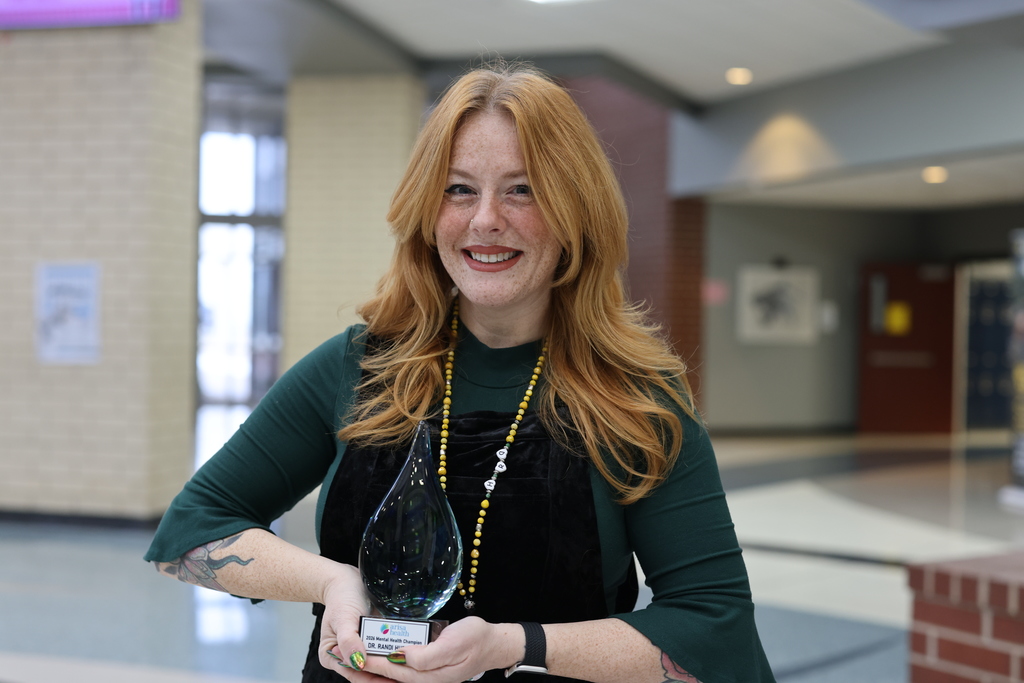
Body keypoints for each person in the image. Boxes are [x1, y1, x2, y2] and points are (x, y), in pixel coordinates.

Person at [145, 62, 775, 683]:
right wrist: (334, 580)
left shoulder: (637, 398)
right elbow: (191, 531)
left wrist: (511, 646)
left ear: (576, 213)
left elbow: (713, 624)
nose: (485, 220)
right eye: (459, 188)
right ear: (427, 210)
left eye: (522, 189)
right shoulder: (359, 366)